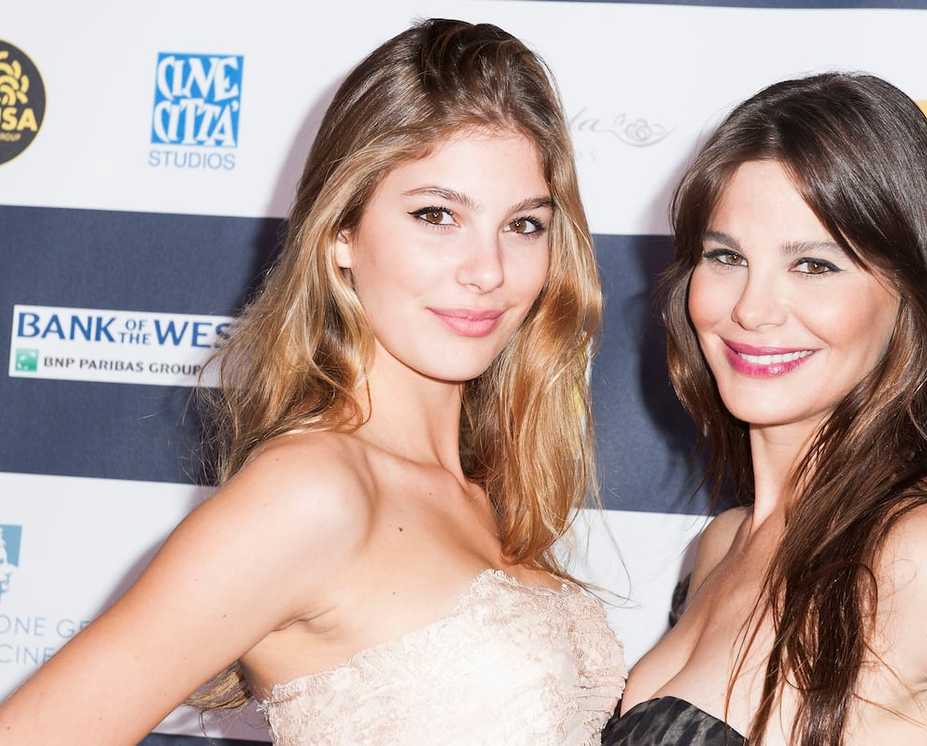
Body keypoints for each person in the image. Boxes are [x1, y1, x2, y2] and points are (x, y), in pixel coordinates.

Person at [0, 19, 625, 746]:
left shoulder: (495, 494)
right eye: (436, 215)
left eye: (523, 225)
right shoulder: (312, 493)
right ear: (340, 235)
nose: (487, 269)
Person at [602, 73, 927, 745]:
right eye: (726, 256)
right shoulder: (721, 546)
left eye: (814, 266)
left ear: (906, 295)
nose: (751, 309)